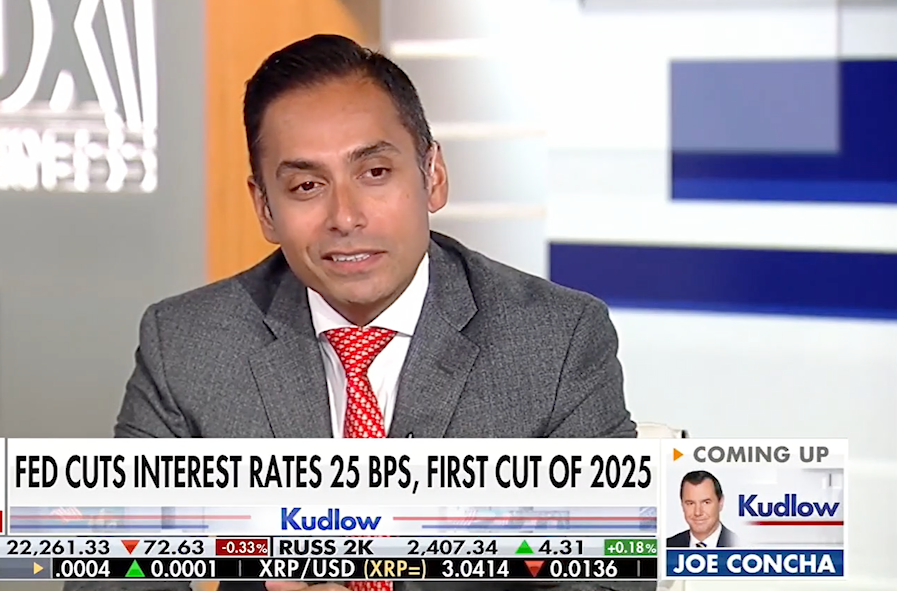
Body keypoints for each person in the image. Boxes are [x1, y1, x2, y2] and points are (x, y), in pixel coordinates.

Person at [66, 34, 648, 591]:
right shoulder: (187, 344)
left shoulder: (556, 340)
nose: (345, 216)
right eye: (306, 186)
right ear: (264, 208)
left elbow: (616, 576)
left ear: (433, 175)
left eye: (374, 173)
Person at [667, 471, 739, 548]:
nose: (697, 512)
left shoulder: (741, 546)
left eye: (706, 502)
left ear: (720, 502)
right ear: (682, 504)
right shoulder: (667, 546)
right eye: (690, 503)